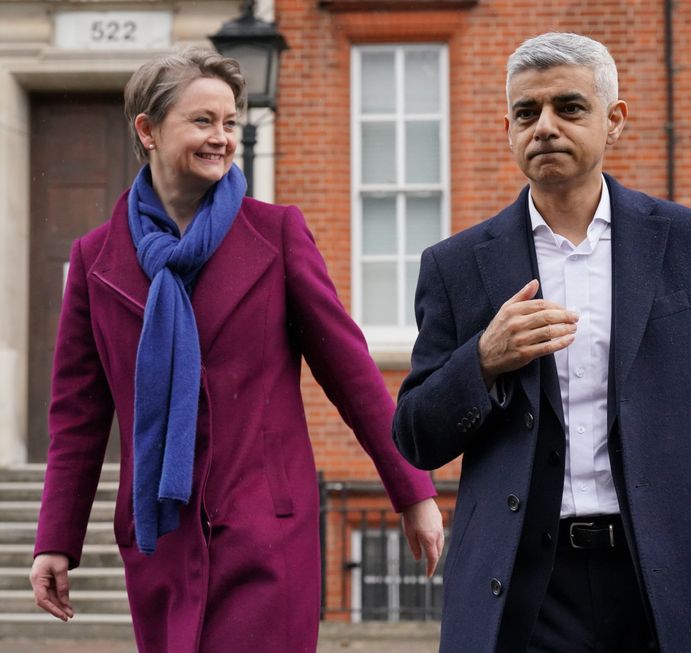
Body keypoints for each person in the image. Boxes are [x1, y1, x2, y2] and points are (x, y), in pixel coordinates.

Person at [393, 32, 691, 653]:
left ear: (614, 120)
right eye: (525, 112)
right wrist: (482, 361)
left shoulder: (690, 243)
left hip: (667, 577)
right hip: (518, 585)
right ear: (507, 127)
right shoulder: (456, 265)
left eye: (568, 107)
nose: (543, 127)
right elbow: (415, 435)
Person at [29, 47, 443, 653]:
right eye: (202, 121)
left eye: (229, 122)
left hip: (267, 532)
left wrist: (414, 491)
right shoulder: (97, 260)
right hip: (161, 540)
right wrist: (55, 538)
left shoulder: (276, 234)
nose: (221, 138)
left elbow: (352, 373)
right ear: (147, 129)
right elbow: (78, 420)